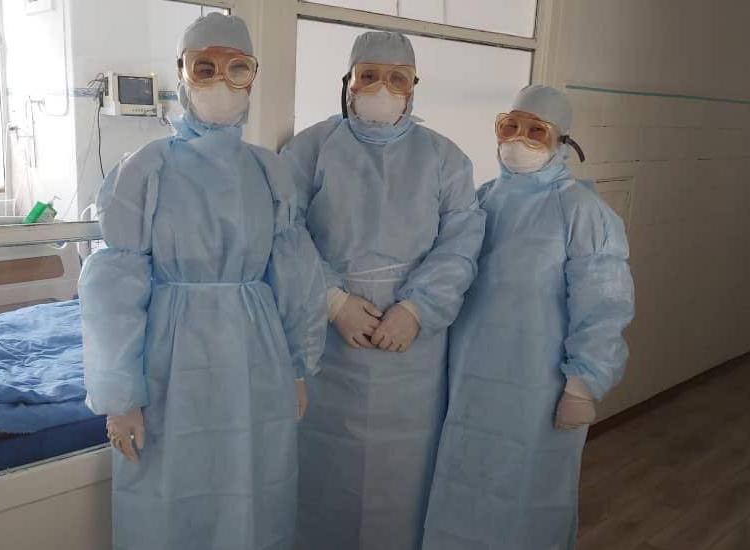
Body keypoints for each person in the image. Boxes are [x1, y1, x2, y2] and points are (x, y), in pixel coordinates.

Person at [79, 14, 326, 550]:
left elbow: (296, 278)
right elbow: (114, 291)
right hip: (171, 358)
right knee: (172, 491)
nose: (220, 81)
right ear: (182, 73)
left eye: (237, 68)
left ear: (253, 78)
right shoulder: (145, 170)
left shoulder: (269, 172)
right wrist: (121, 397)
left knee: (254, 485)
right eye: (204, 67)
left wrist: (297, 366)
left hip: (258, 356)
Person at [281, 31, 486, 550]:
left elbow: (461, 244)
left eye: (397, 78)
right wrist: (332, 301)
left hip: (413, 354)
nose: (382, 88)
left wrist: (417, 308)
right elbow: (285, 233)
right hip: (327, 346)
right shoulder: (310, 150)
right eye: (368, 75)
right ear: (348, 82)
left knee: (402, 477)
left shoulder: (445, 158)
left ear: (414, 86)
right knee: (325, 473)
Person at [422, 85, 635, 550]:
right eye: (510, 126)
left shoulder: (582, 212)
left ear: (562, 143)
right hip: (468, 379)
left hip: (538, 388)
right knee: (463, 484)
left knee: (527, 496)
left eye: (536, 131)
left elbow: (604, 304)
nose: (519, 139)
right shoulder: (482, 199)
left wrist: (583, 384)